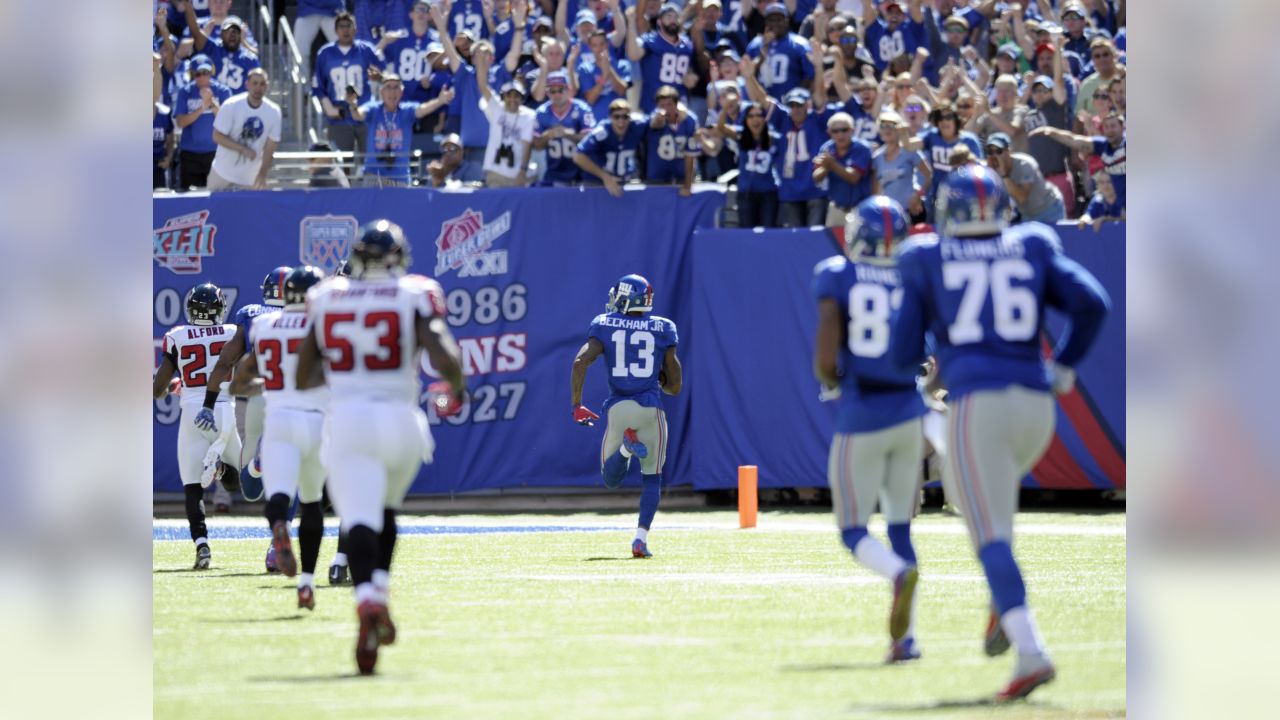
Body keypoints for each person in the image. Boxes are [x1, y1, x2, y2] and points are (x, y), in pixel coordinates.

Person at [890, 165, 1111, 701]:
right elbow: (1093, 304)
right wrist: (1063, 366)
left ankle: (1031, 651)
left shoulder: (924, 256)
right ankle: (1000, 596)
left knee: (983, 529)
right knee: (988, 513)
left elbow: (902, 350)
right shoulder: (1031, 242)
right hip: (1036, 406)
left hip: (977, 407)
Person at [296, 220, 466, 675]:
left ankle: (367, 600)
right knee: (387, 509)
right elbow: (446, 358)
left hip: (351, 420)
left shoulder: (327, 294)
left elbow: (303, 376)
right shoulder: (415, 292)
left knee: (359, 519)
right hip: (403, 420)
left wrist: (346, 375)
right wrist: (458, 390)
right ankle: (379, 595)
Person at [812, 195, 927, 663]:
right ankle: (907, 640)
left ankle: (897, 574)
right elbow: (930, 356)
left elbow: (825, 357)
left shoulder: (837, 273)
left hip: (862, 410)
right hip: (909, 412)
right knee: (901, 527)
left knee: (853, 530)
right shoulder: (917, 273)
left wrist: (833, 382)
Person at [229, 266, 331, 610]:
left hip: (280, 419)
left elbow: (238, 384)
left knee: (278, 495)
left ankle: (278, 528)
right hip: (317, 420)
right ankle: (306, 583)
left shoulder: (264, 324)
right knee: (312, 501)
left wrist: (273, 383)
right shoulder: (324, 325)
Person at [570, 274, 682, 558]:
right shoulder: (663, 328)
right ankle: (640, 539)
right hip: (650, 408)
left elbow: (580, 361)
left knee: (610, 478)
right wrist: (660, 378)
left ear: (625, 297)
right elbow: (675, 386)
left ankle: (625, 448)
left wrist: (577, 404)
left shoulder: (604, 324)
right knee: (652, 478)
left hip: (619, 408)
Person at [153, 283, 242, 570]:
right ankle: (218, 469)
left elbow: (157, 390)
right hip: (224, 408)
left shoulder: (177, 336)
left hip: (193, 411)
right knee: (237, 481)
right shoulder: (232, 332)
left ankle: (202, 545)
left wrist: (176, 385)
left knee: (192, 488)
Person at [196, 267, 291, 534]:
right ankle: (279, 536)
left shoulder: (252, 315)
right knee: (299, 477)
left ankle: (260, 462)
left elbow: (226, 362)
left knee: (250, 487)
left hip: (256, 399)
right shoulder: (306, 317)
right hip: (294, 401)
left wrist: (208, 402)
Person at [312, 11, 386, 175]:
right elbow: (318, 86)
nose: (345, 30)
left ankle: (371, 199)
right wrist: (329, 109)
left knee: (372, 164)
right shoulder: (325, 54)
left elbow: (387, 77)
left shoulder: (366, 50)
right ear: (335, 30)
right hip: (340, 116)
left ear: (355, 29)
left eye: (349, 26)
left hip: (364, 113)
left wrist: (380, 77)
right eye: (341, 27)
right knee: (341, 169)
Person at [349, 73, 455, 187]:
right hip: (374, 174)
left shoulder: (406, 111)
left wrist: (440, 101)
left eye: (396, 87)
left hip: (400, 177)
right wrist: (353, 105)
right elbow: (358, 115)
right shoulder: (373, 109)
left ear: (401, 92)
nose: (392, 91)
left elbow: (423, 109)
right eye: (388, 87)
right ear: (381, 92)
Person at [1028, 111, 1125, 209]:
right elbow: (1073, 139)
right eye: (1106, 127)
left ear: (1122, 127)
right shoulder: (1102, 145)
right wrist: (1049, 131)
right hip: (1120, 206)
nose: (1109, 130)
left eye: (1113, 126)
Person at [209, 68, 281, 191]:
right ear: (247, 84)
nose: (258, 87)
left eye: (262, 84)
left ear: (267, 86)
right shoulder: (231, 105)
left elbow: (271, 146)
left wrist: (263, 173)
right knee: (214, 210)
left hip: (250, 178)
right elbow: (217, 136)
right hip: (222, 173)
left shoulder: (274, 111)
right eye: (255, 83)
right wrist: (242, 149)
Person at [173, 56, 232, 190]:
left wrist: (211, 103)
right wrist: (201, 108)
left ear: (211, 72)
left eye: (205, 73)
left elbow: (227, 121)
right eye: (198, 74)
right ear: (192, 75)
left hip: (216, 153)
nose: (202, 77)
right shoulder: (185, 92)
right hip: (190, 154)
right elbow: (180, 122)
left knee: (216, 195)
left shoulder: (223, 91)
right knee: (189, 198)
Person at [178, 3, 261, 94]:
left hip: (238, 102)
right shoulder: (215, 48)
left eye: (235, 32)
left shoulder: (249, 57)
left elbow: (255, 54)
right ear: (221, 34)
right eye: (228, 32)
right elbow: (193, 32)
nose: (232, 34)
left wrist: (243, 41)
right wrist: (187, 4)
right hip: (211, 99)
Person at [626, 3, 694, 113]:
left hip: (679, 101)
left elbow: (690, 70)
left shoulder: (687, 44)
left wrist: (691, 77)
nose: (673, 20)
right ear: (659, 21)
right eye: (668, 16)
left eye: (676, 17)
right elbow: (633, 55)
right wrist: (631, 23)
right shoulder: (650, 40)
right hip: (654, 102)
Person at [721, 101, 781, 227]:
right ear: (745, 120)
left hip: (768, 193)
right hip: (746, 194)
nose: (755, 119)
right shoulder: (741, 136)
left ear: (765, 119)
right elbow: (721, 127)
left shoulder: (773, 139)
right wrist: (726, 107)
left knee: (767, 232)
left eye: (759, 115)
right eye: (751, 116)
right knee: (746, 232)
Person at [984, 132, 1064, 225]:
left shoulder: (1025, 164)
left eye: (998, 151)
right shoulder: (992, 170)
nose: (994, 156)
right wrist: (990, 173)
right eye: (990, 152)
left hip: (1049, 209)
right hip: (1027, 215)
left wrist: (1004, 174)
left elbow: (1022, 197)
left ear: (1009, 151)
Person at [533, 71, 596, 186]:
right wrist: (548, 135)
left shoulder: (582, 109)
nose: (557, 94)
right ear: (547, 93)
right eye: (552, 91)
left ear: (569, 90)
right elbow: (537, 146)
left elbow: (591, 140)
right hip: (554, 174)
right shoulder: (541, 113)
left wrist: (567, 134)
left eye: (561, 90)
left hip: (581, 174)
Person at [812, 112, 874, 228]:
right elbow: (817, 177)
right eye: (835, 131)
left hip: (860, 209)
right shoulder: (827, 148)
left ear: (852, 130)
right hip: (836, 208)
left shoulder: (862, 148)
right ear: (829, 132)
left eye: (844, 130)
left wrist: (831, 164)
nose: (840, 134)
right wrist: (825, 167)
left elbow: (853, 178)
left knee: (860, 245)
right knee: (832, 245)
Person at [575, 98, 646, 196]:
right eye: (616, 117)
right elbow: (578, 156)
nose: (621, 121)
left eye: (625, 117)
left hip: (624, 181)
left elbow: (653, 120)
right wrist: (605, 176)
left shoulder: (637, 126)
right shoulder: (602, 132)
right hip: (597, 183)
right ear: (610, 117)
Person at [871, 110, 931, 223]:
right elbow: (875, 190)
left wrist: (918, 196)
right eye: (883, 126)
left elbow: (928, 175)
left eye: (891, 125)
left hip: (912, 210)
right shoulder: (877, 157)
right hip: (890, 214)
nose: (887, 129)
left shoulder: (910, 151)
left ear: (900, 129)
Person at [745, 4, 814, 100]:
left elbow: (810, 75)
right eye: (771, 20)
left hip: (790, 104)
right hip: (762, 102)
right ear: (765, 22)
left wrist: (796, 96)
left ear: (787, 21)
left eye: (779, 19)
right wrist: (761, 58)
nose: (775, 23)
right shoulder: (754, 45)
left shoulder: (799, 44)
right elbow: (747, 75)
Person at [478, 79, 537, 187]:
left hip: (519, 175)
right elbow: (482, 85)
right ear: (503, 97)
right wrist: (480, 62)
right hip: (496, 173)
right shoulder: (496, 108)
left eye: (516, 96)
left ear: (522, 97)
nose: (512, 99)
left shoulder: (529, 115)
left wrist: (522, 171)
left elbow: (527, 144)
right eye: (508, 95)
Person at [643, 85, 700, 195]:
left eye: (669, 104)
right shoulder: (652, 119)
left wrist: (688, 184)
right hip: (657, 178)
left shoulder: (690, 121)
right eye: (662, 105)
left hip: (682, 177)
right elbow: (653, 124)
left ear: (677, 104)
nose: (666, 109)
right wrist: (657, 123)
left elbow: (691, 154)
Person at [294, 0, 345, 80]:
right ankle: (301, 89)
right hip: (307, 8)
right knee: (299, 52)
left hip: (333, 8)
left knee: (345, 48)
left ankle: (346, 85)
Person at [153, 95, 176, 190]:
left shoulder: (164, 112)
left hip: (159, 164)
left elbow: (170, 138)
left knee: (160, 198)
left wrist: (169, 158)